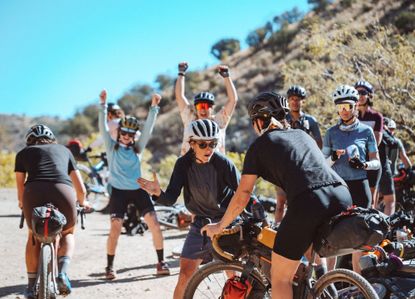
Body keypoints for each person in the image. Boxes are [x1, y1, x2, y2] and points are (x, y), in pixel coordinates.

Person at [201, 92, 352, 299]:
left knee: (280, 277)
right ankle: (326, 289)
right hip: (342, 194)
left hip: (309, 201)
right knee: (307, 250)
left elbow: (243, 194)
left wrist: (220, 226)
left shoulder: (259, 146)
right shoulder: (302, 135)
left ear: (260, 120)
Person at [138, 119, 253, 299]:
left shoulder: (224, 164)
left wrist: (250, 215)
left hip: (225, 222)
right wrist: (157, 193)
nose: (209, 148)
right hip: (200, 224)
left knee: (232, 276)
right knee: (185, 275)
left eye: (213, 143)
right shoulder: (183, 164)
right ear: (191, 143)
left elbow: (243, 193)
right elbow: (170, 198)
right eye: (203, 144)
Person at [98, 91, 169, 279]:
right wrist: (103, 105)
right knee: (115, 227)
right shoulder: (111, 146)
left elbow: (148, 130)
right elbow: (102, 128)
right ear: (119, 132)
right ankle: (110, 266)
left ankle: (161, 262)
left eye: (130, 135)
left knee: (154, 223)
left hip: (139, 190)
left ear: (133, 136)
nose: (126, 137)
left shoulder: (137, 148)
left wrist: (154, 106)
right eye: (124, 133)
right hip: (119, 192)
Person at [15, 124, 91, 298]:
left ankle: (30, 287)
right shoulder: (65, 151)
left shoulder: (23, 154)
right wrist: (83, 202)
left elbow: (20, 187)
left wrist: (22, 203)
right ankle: (62, 273)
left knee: (33, 236)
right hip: (62, 191)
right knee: (68, 232)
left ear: (29, 141)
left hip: (33, 192)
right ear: (52, 139)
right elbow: (81, 188)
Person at [323, 85, 381, 271]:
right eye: (340, 108)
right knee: (332, 237)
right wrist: (333, 157)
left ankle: (360, 284)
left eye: (347, 107)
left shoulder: (366, 131)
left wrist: (364, 165)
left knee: (360, 242)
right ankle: (328, 282)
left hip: (360, 188)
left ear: (356, 106)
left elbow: (377, 162)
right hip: (339, 188)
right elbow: (323, 164)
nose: (344, 112)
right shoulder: (331, 132)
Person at [175, 62, 238, 155]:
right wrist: (181, 73)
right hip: (189, 168)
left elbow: (233, 100)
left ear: (212, 108)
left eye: (206, 106)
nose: (203, 109)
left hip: (215, 168)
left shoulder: (219, 121)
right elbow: (179, 96)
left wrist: (226, 76)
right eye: (200, 106)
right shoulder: (190, 119)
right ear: (195, 108)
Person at [355, 80, 383, 205]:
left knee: (371, 202)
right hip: (354, 162)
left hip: (371, 161)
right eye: (357, 92)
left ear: (369, 95)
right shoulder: (351, 115)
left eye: (363, 92)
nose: (360, 95)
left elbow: (376, 141)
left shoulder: (377, 116)